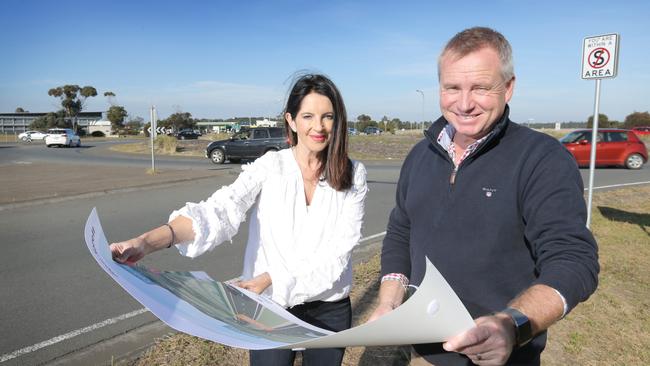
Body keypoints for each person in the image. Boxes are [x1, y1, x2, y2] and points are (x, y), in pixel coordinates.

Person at [368, 27, 599, 365]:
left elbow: (574, 262)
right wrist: (389, 302)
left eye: (480, 87)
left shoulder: (541, 158)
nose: (464, 103)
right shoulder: (420, 155)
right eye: (452, 88)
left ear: (508, 87)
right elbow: (401, 235)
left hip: (499, 357)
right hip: (418, 354)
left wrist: (512, 324)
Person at [110, 73, 368, 366]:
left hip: (328, 308)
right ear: (292, 121)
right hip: (269, 304)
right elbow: (219, 211)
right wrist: (145, 243)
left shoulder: (353, 173)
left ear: (338, 121)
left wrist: (272, 278)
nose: (318, 126)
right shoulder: (271, 166)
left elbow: (336, 256)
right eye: (308, 116)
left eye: (328, 116)